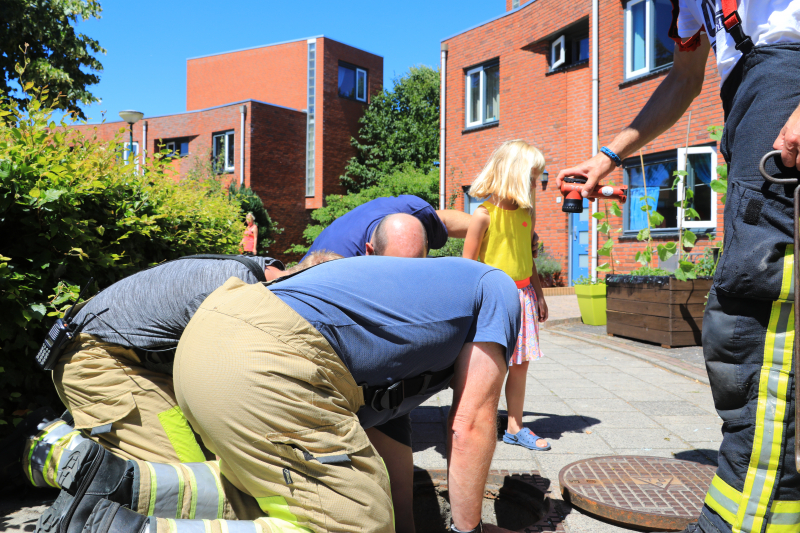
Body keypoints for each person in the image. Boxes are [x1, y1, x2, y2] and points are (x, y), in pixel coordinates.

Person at [39, 256, 522, 533]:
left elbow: (389, 436)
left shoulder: (386, 322)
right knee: (355, 523)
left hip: (203, 349)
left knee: (265, 487)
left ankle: (116, 493)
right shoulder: (498, 289)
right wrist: (467, 531)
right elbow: (471, 425)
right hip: (120, 355)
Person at [555, 3, 800, 532]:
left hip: (786, 95)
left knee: (758, 317)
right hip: (752, 101)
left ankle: (743, 522)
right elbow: (685, 78)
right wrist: (608, 157)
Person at [4, 254, 338, 496]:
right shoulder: (241, 295)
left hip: (123, 354)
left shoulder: (260, 271)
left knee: (201, 462)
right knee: (184, 482)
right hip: (97, 359)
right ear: (305, 285)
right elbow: (238, 389)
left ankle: (68, 446)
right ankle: (40, 452)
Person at [463, 140, 550, 452]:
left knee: (520, 365)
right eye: (531, 178)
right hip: (494, 300)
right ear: (513, 175)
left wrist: (539, 295)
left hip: (524, 296)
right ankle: (479, 422)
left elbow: (528, 258)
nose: (535, 184)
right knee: (490, 365)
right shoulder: (483, 216)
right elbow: (467, 268)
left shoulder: (526, 213)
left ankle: (514, 426)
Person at [302, 195, 471, 260]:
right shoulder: (336, 265)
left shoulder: (409, 210)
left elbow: (445, 219)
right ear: (369, 251)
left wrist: (494, 228)